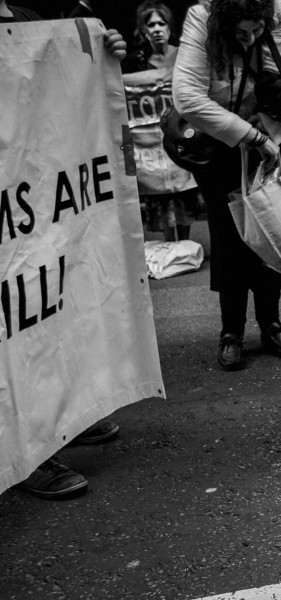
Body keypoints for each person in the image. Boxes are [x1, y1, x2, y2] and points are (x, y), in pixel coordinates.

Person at [3, 0, 127, 500]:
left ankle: (58, 421)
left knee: (47, 310)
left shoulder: (27, 17)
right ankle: (27, 449)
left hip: (38, 191)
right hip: (19, 194)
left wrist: (101, 55)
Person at [173, 0, 281, 371]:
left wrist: (268, 122)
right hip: (220, 147)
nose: (250, 38)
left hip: (267, 148)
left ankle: (271, 323)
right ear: (224, 22)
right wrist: (248, 135)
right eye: (241, 33)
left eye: (257, 30)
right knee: (229, 239)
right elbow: (188, 97)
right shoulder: (202, 20)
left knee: (272, 232)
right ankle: (231, 332)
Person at [126, 0, 204, 243]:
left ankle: (187, 245)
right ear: (144, 30)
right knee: (162, 198)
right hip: (153, 148)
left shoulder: (185, 57)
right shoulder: (135, 64)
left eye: (162, 23)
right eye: (151, 24)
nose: (157, 28)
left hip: (184, 135)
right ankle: (172, 247)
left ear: (170, 28)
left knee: (184, 194)